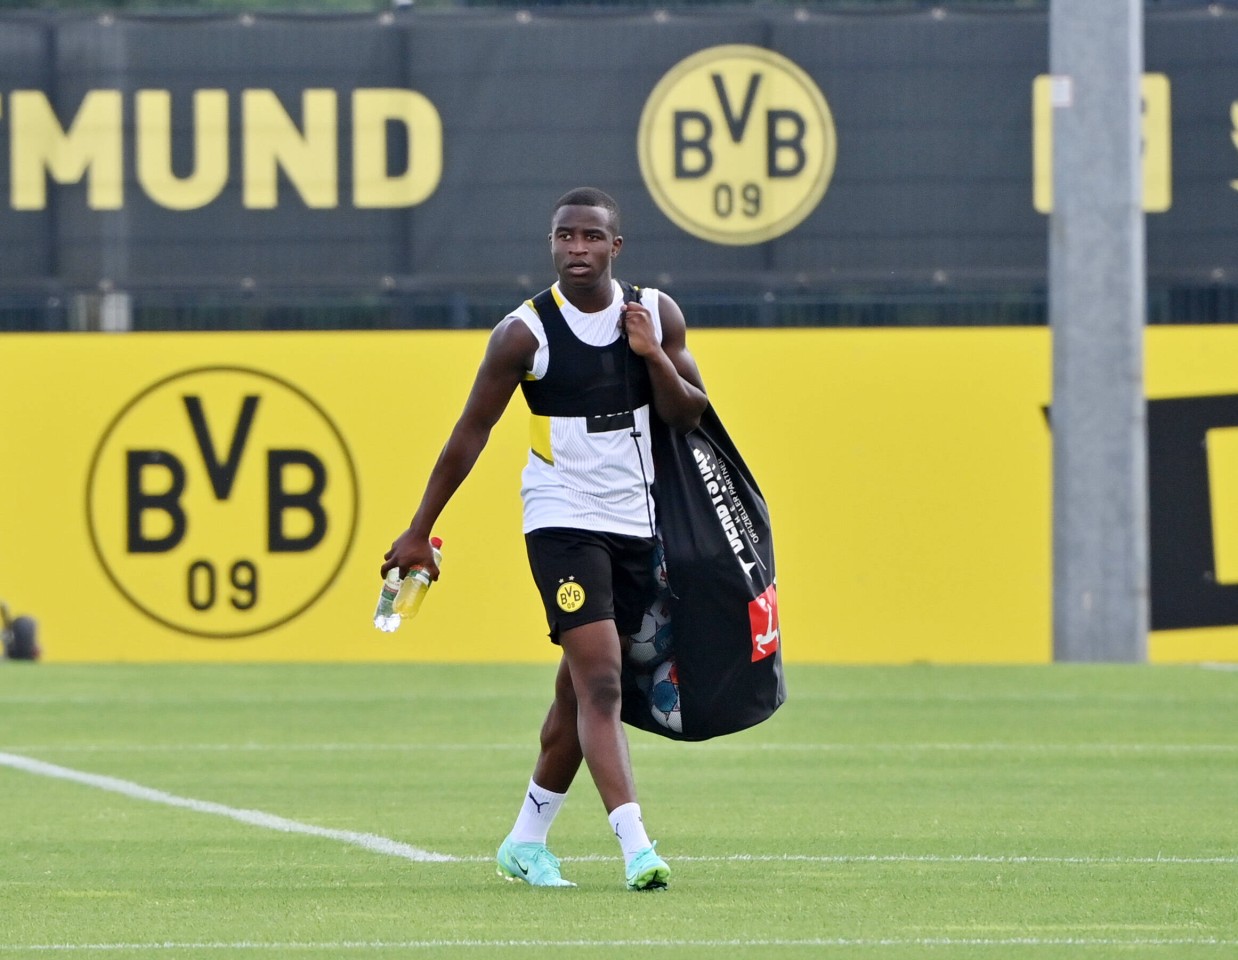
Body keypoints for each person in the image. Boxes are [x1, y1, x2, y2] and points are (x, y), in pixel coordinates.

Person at [381, 187, 708, 890]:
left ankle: (526, 842)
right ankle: (636, 847)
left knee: (575, 693)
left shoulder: (655, 314)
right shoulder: (523, 334)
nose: (577, 250)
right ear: (552, 244)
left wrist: (652, 356)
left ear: (615, 248)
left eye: (592, 238)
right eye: (566, 237)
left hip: (637, 523)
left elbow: (689, 415)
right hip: (562, 519)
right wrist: (419, 529)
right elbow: (470, 433)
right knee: (603, 681)